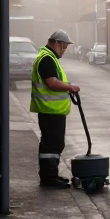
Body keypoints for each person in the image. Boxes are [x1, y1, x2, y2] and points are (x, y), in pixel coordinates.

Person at [30, 30, 80, 186]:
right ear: (56, 43)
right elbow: (51, 82)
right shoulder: (46, 59)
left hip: (52, 110)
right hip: (49, 110)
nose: (64, 49)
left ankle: (51, 175)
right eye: (64, 45)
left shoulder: (48, 57)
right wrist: (69, 87)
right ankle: (49, 178)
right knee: (51, 144)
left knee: (54, 143)